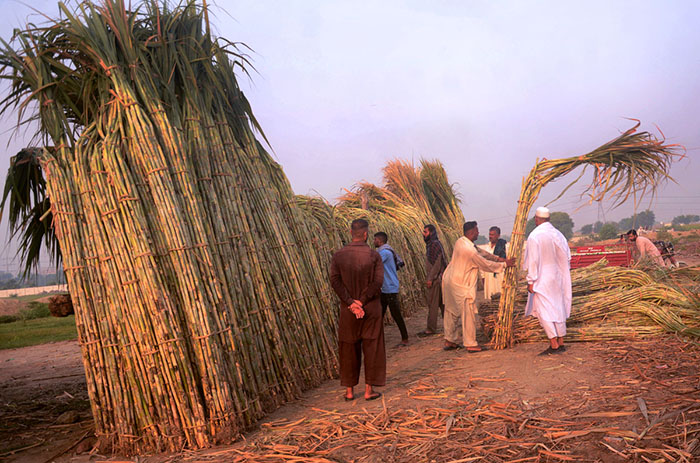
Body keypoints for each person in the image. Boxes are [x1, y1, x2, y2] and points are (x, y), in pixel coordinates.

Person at [330, 219, 385, 401]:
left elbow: (335, 281)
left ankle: (349, 391)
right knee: (372, 346)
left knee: (348, 347)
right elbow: (377, 283)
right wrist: (361, 302)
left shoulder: (338, 255)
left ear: (351, 233)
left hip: (348, 311)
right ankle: (369, 390)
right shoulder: (373, 256)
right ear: (366, 234)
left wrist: (350, 302)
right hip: (371, 308)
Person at [442, 221, 515, 352]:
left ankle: (449, 340)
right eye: (477, 230)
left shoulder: (461, 241)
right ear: (471, 232)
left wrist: (500, 259)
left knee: (451, 312)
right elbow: (485, 264)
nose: (478, 233)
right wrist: (505, 265)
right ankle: (470, 343)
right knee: (468, 313)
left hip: (450, 280)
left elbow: (482, 253)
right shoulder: (469, 250)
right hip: (461, 284)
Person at [523, 207, 572, 355]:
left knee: (544, 311)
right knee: (558, 308)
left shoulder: (534, 236)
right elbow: (568, 256)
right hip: (558, 278)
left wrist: (531, 281)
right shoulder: (558, 234)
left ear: (537, 219)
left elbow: (533, 261)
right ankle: (561, 341)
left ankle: (554, 344)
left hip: (542, 279)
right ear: (548, 219)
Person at [373, 232, 409, 347]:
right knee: (380, 313)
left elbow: (373, 263)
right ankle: (376, 338)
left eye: (375, 239)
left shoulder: (384, 253)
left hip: (390, 288)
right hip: (385, 287)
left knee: (396, 314)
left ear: (379, 240)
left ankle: (405, 338)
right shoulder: (385, 251)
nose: (373, 241)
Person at [417, 224, 447, 337]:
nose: (423, 234)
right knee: (442, 304)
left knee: (433, 304)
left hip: (436, 279)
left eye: (425, 232)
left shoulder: (434, 245)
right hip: (438, 278)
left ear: (431, 233)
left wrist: (430, 278)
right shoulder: (431, 245)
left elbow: (437, 264)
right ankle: (448, 326)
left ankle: (431, 329)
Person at [478, 226, 508, 300]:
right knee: (490, 298)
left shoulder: (503, 247)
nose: (490, 237)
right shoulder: (486, 248)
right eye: (490, 234)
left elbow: (507, 261)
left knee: (500, 296)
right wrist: (483, 277)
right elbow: (483, 263)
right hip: (488, 277)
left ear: (498, 235)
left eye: (492, 235)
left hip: (500, 276)